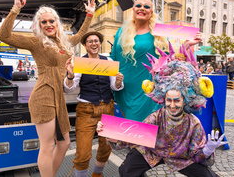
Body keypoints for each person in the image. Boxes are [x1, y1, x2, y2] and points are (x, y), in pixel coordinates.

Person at [0, 0, 96, 177]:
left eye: (52, 21)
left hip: (58, 96)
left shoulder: (64, 43)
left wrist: (89, 15)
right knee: (48, 145)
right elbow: (3, 35)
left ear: (57, 23)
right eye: (44, 22)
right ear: (39, 25)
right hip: (43, 96)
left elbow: (81, 34)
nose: (49, 24)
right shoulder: (36, 41)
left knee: (65, 143)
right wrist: (15, 9)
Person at [97, 44, 227, 177]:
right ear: (163, 99)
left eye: (177, 100)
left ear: (185, 100)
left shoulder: (193, 123)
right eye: (168, 100)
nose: (172, 105)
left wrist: (208, 150)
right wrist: (114, 136)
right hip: (153, 152)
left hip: (181, 158)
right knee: (126, 170)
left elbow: (197, 155)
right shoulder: (155, 117)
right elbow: (133, 135)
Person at [110, 0, 202, 122]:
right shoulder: (121, 31)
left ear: (151, 13)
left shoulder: (158, 33)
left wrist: (187, 45)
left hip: (147, 88)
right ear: (133, 9)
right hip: (123, 88)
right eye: (138, 5)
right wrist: (113, 83)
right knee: (131, 129)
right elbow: (113, 59)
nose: (142, 8)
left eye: (146, 7)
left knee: (144, 127)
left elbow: (170, 60)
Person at [64, 29, 124, 177]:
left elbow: (113, 87)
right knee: (83, 152)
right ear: (85, 45)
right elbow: (68, 89)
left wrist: (117, 82)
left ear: (100, 43)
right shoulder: (79, 62)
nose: (94, 43)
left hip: (107, 108)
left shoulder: (108, 62)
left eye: (96, 41)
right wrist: (70, 76)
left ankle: (97, 174)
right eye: (90, 41)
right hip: (86, 110)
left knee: (106, 148)